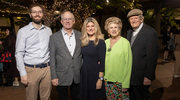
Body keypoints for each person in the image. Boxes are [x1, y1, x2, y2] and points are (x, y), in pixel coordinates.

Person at [15, 3, 52, 100]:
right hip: (31, 70)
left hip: (47, 69)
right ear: (30, 14)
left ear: (43, 14)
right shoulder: (23, 31)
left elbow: (50, 50)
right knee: (31, 98)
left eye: (39, 12)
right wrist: (22, 73)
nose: (37, 14)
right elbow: (19, 53)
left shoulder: (48, 30)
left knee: (46, 98)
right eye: (34, 12)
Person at [126, 9, 158, 100]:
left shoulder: (150, 33)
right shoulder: (129, 33)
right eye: (131, 19)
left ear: (141, 19)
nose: (133, 20)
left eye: (135, 18)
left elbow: (152, 56)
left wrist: (148, 76)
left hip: (142, 76)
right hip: (130, 75)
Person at [50, 11, 82, 100]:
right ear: (61, 21)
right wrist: (53, 76)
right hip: (61, 76)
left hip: (77, 75)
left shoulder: (81, 35)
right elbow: (52, 58)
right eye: (65, 19)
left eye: (70, 19)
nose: (67, 21)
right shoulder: (54, 37)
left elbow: (83, 54)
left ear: (74, 21)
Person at [104, 17, 132, 100]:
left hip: (120, 82)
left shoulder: (125, 43)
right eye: (111, 27)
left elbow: (128, 65)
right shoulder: (105, 42)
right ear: (108, 30)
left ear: (119, 29)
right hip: (107, 82)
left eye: (116, 27)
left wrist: (125, 84)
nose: (113, 30)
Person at [80, 17, 106, 100]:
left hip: (94, 75)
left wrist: (100, 79)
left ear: (96, 27)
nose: (90, 28)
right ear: (85, 28)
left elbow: (102, 62)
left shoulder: (100, 42)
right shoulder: (83, 41)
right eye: (88, 26)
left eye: (92, 26)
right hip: (84, 74)